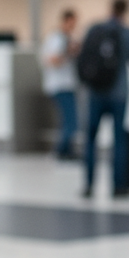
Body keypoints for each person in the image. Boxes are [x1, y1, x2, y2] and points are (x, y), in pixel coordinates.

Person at [80, 0, 129, 198]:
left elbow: (84, 56)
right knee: (119, 140)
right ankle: (118, 186)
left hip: (95, 91)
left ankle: (89, 185)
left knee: (90, 138)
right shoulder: (128, 33)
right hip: (119, 93)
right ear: (126, 10)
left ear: (110, 8)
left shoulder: (94, 29)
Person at [40, 9, 80, 160]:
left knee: (69, 121)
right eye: (72, 23)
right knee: (70, 121)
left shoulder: (69, 38)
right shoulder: (55, 39)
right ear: (65, 21)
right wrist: (68, 52)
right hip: (59, 86)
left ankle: (66, 150)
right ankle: (61, 151)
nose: (74, 26)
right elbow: (52, 60)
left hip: (68, 85)